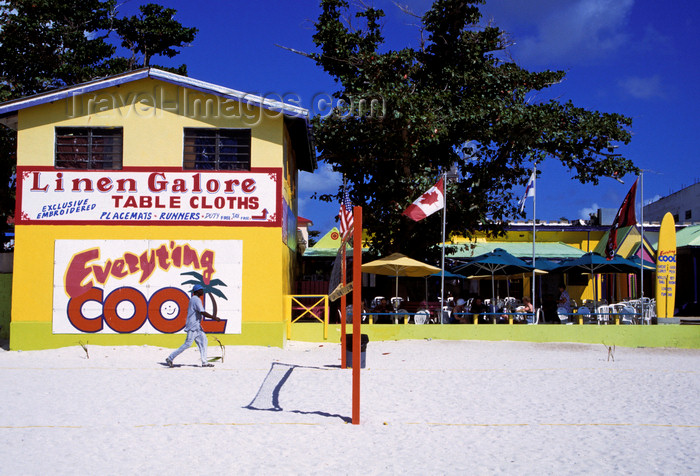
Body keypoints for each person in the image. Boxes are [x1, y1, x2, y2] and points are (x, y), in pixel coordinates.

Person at [166, 284, 221, 367]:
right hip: (192, 326)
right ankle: (170, 358)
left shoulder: (195, 299)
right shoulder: (196, 300)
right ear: (196, 291)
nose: (202, 291)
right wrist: (214, 317)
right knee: (187, 344)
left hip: (197, 327)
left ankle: (204, 362)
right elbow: (202, 312)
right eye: (201, 290)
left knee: (204, 342)